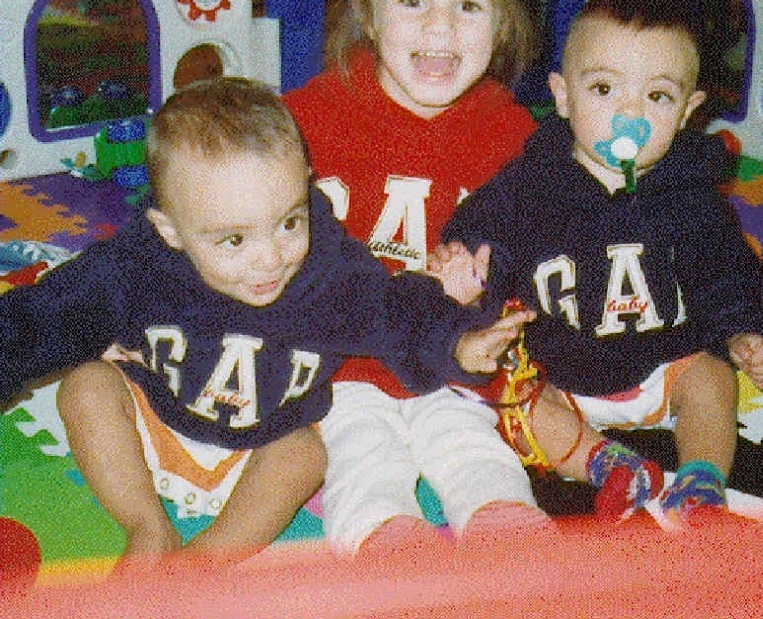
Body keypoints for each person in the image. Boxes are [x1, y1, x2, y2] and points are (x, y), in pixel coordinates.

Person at [0, 77, 532, 572]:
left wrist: (458, 341)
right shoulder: (136, 264)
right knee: (86, 384)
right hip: (159, 424)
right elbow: (48, 314)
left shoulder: (326, 269)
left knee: (306, 453)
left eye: (289, 222)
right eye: (234, 240)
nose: (270, 258)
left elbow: (394, 310)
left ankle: (204, 562)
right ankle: (148, 525)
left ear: (307, 188)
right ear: (170, 230)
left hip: (263, 449)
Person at [436, 0, 763, 524]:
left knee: (713, 380)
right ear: (563, 97)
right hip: (560, 370)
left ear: (688, 111)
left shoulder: (689, 192)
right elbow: (482, 227)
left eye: (658, 97)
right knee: (511, 401)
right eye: (604, 88)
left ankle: (701, 481)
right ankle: (610, 466)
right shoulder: (532, 183)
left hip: (665, 361)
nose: (631, 113)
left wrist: (747, 329)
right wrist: (464, 269)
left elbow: (728, 267)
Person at [282, 0, 551, 554]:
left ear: (504, 24)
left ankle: (511, 539)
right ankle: (387, 546)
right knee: (363, 453)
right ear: (369, 14)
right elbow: (215, 196)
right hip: (341, 363)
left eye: (469, 5)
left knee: (476, 449)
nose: (439, 27)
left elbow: (561, 234)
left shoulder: (517, 137)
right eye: (412, 1)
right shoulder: (306, 117)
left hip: (458, 357)